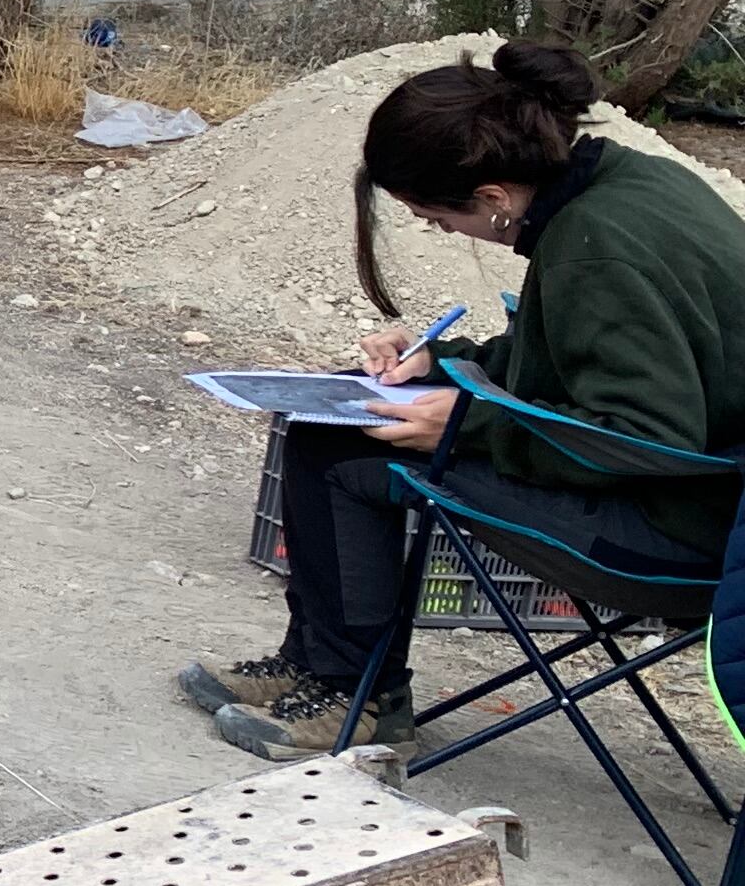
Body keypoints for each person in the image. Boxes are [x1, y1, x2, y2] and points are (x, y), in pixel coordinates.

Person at [189, 42, 745, 758]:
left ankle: (360, 700)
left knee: (342, 456)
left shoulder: (595, 245)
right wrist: (444, 364)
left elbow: (640, 434)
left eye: (432, 216)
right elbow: (578, 360)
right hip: (701, 500)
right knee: (335, 426)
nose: (435, 230)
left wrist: (467, 424)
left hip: (684, 530)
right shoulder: (626, 187)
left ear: (491, 198)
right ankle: (318, 665)